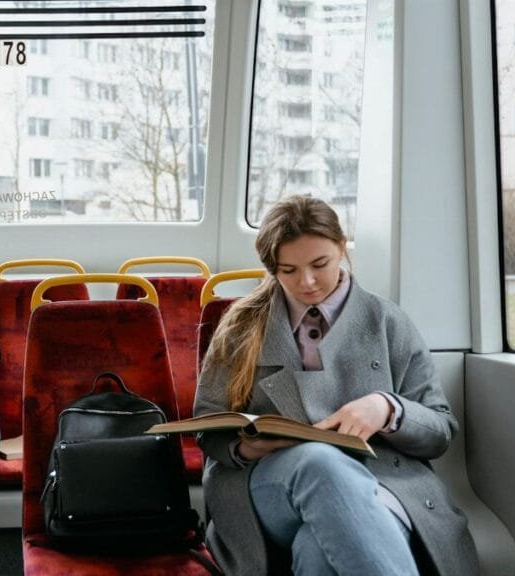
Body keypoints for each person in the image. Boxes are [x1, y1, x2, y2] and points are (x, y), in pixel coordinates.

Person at [194, 195, 477, 575]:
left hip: (383, 485)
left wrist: (388, 410)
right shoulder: (241, 327)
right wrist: (245, 446)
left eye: (319, 264)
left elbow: (440, 432)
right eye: (288, 270)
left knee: (317, 550)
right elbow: (208, 423)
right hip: (265, 488)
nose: (306, 282)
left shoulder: (387, 321)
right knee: (318, 462)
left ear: (342, 248)